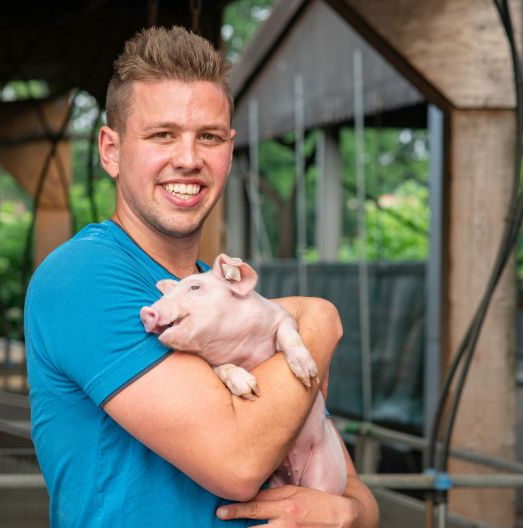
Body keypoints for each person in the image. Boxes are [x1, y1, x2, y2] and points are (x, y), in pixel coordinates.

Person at [24, 26, 379, 527]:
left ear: (229, 149)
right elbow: (236, 463)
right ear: (111, 150)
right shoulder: (82, 276)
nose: (189, 159)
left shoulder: (221, 296)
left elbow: (348, 481)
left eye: (208, 137)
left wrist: (346, 514)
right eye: (162, 134)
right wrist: (317, 320)